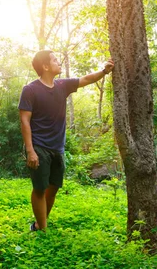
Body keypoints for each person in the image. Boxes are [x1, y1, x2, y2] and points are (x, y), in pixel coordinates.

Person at [18, 50, 114, 231]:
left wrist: (104, 71)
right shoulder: (30, 90)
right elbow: (24, 121)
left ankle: (39, 224)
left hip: (57, 147)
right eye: (54, 60)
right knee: (39, 188)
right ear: (45, 66)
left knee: (53, 187)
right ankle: (42, 230)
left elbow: (86, 79)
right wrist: (30, 150)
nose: (58, 62)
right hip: (38, 146)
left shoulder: (62, 85)